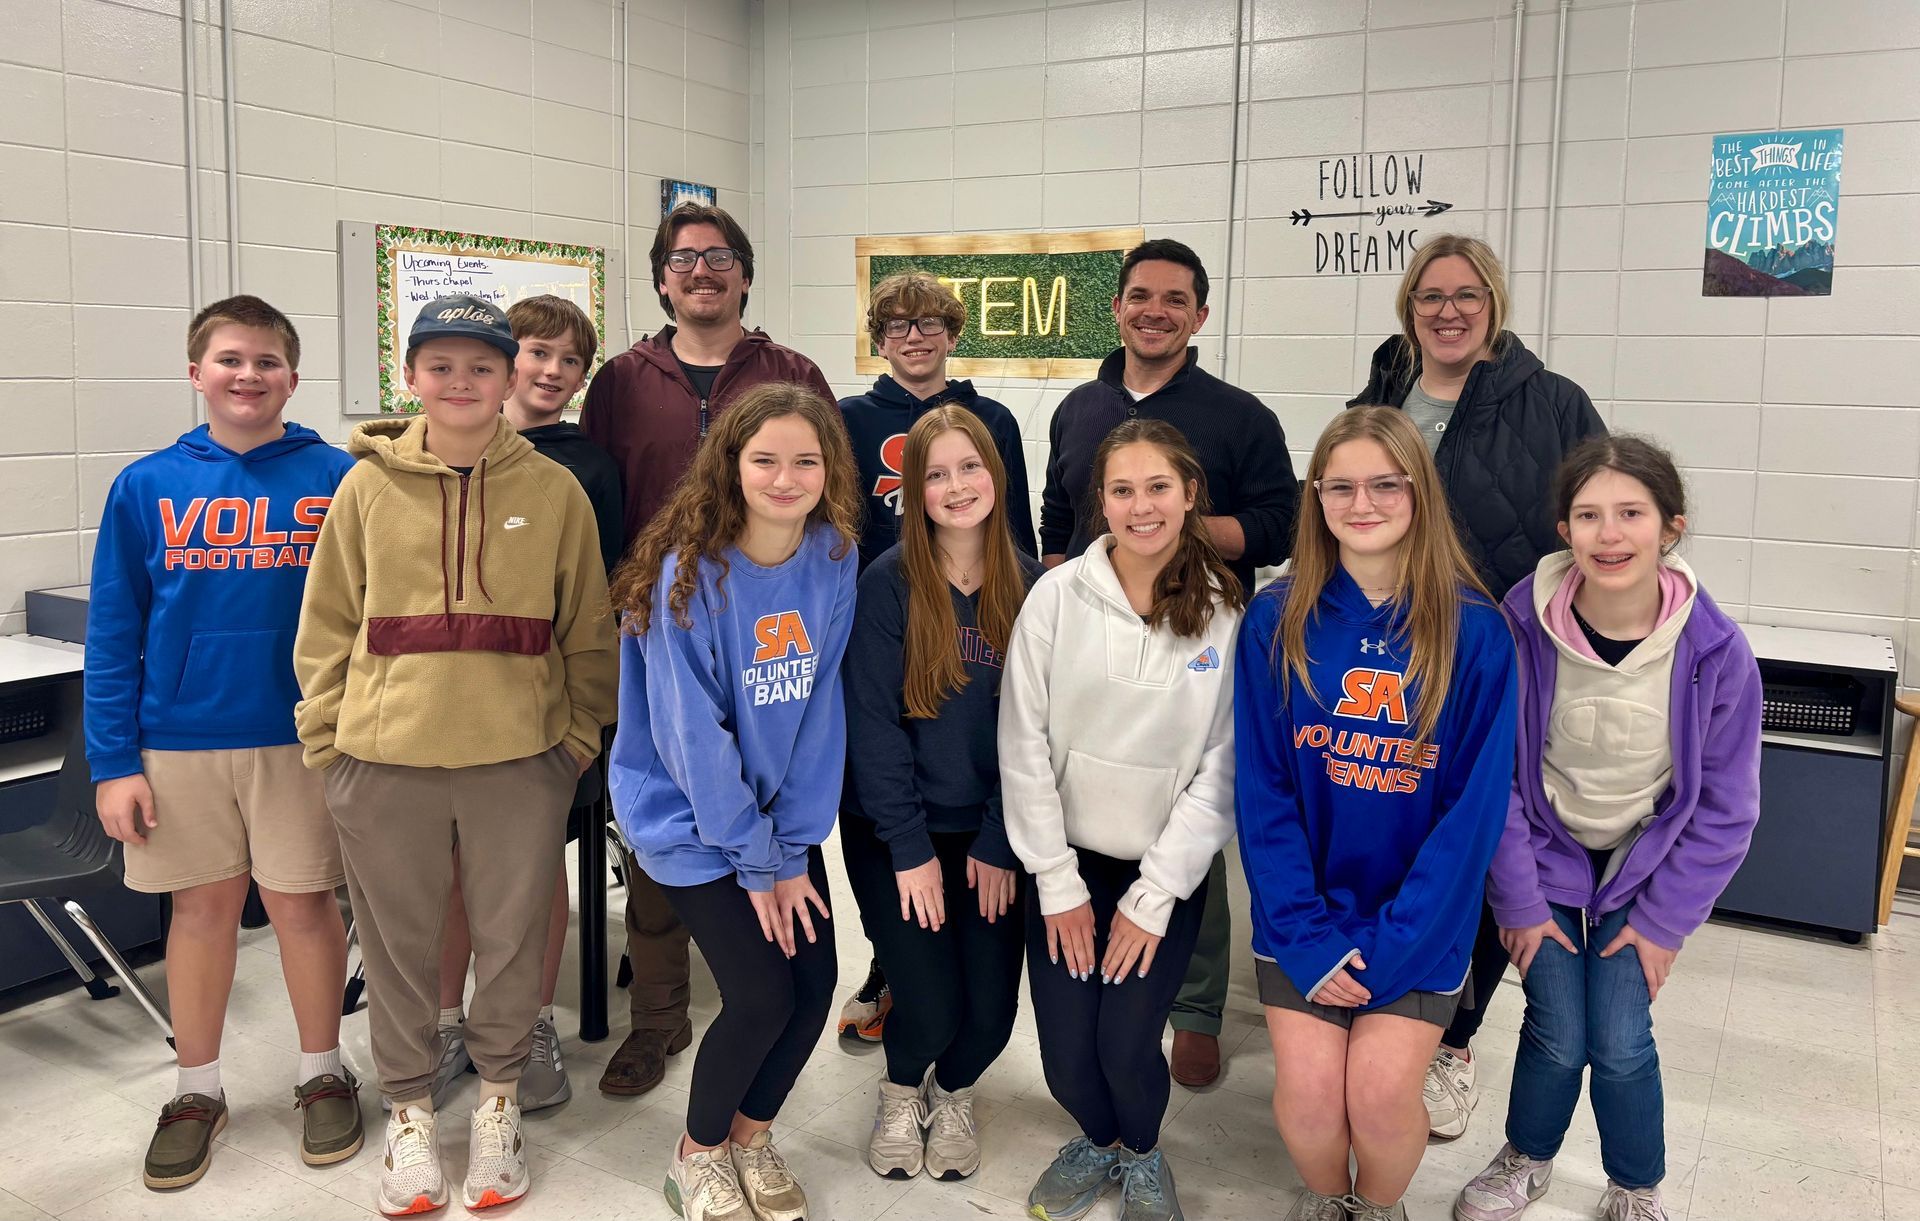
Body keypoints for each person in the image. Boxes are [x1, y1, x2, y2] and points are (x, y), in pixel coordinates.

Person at [295, 294, 618, 1214]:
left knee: (514, 941)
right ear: (413, 377)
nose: (462, 382)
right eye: (441, 366)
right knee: (397, 947)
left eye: (482, 366)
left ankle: (499, 1106)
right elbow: (325, 625)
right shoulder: (365, 486)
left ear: (510, 376)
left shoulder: (555, 491)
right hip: (381, 758)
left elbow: (587, 631)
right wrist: (329, 740)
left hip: (519, 759)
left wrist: (574, 740)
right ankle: (405, 1114)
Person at [86, 296, 359, 1191]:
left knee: (304, 910)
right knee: (198, 916)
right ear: (195, 371)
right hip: (180, 741)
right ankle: (196, 1089)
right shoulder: (145, 485)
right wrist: (114, 762)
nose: (249, 376)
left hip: (304, 739)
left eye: (268, 361)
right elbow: (114, 631)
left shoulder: (338, 477)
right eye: (231, 359)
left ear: (294, 375)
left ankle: (324, 1069)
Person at [1454, 436, 1760, 1221]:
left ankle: (1636, 1184)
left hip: (1642, 869)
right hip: (1544, 861)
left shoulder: (1716, 649)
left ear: (1671, 527)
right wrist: (1518, 903)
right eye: (1588, 514)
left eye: (1631, 513)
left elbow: (1727, 807)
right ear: (1564, 528)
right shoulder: (1519, 624)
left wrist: (1662, 924)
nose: (1609, 533)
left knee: (1620, 1039)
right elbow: (1498, 777)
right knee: (1557, 1027)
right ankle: (1527, 1155)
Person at [1350, 233, 1608, 1138]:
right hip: (1385, 651)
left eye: (1465, 295)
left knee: (1486, 840)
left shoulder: (1553, 402)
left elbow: (1596, 521)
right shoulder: (1385, 388)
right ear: (1408, 308)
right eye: (1430, 297)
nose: (1447, 311)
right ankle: (1390, 1004)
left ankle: (1455, 1039)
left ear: (1494, 304)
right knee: (1399, 829)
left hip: (1498, 653)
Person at [1235, 407, 1518, 1221]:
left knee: (1383, 1096)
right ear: (1317, 497)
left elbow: (1470, 818)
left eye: (1384, 484)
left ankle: (1381, 1207)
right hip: (1305, 918)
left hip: (1418, 923)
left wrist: (1395, 949)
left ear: (1418, 493)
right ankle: (1332, 1202)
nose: (1363, 502)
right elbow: (1264, 794)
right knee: (1315, 1099)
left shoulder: (1477, 632)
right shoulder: (1276, 618)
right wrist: (1308, 936)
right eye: (1342, 485)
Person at [582, 202, 836, 1099]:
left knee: (755, 805)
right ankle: (658, 1021)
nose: (703, 270)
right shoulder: (621, 378)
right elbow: (605, 503)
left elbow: (821, 490)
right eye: (685, 259)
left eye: (721, 257)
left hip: (766, 636)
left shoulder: (790, 373)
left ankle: (748, 1004)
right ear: (661, 279)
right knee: (667, 853)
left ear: (745, 274)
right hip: (664, 631)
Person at [1040, 237, 1297, 1087]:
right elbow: (1054, 516)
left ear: (1201, 314)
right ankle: (1093, 961)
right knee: (1084, 801)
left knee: (1189, 817)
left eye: (1175, 299)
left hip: (1194, 631)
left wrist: (1173, 531)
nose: (1155, 310)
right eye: (1140, 295)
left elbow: (1281, 523)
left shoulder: (1240, 416)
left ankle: (1194, 1007)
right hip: (1089, 633)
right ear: (1116, 307)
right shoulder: (1078, 406)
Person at [607, 382, 860, 1221]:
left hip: (774, 821)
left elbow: (820, 709)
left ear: (829, 469)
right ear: (731, 464)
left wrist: (790, 849)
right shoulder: (690, 572)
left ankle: (750, 1135)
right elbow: (691, 740)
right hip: (686, 819)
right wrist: (759, 863)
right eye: (765, 460)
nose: (785, 478)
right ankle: (698, 1153)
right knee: (760, 995)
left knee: (816, 984)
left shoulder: (833, 556)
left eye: (805, 460)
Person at [1002, 419, 1243, 1221]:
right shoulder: (1056, 596)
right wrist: (1056, 881)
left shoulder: (1221, 612)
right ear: (1098, 499)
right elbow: (1023, 743)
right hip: (1066, 865)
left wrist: (1156, 891)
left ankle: (1141, 1152)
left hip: (1160, 875)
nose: (1141, 506)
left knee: (1127, 1044)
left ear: (1189, 494)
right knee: (1069, 1061)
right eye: (1122, 489)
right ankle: (1098, 1138)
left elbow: (1222, 767)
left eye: (1158, 487)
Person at [836, 268, 1037, 1047]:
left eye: (929, 324)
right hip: (887, 626)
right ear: (879, 338)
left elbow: (1013, 531)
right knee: (894, 789)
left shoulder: (992, 420)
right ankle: (895, 967)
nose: (913, 337)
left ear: (953, 333)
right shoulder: (850, 419)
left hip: (973, 630)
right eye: (896, 325)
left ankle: (924, 978)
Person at [433, 294, 623, 1114]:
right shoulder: (434, 453)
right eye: (536, 352)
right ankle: (448, 1025)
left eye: (570, 361)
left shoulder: (586, 467)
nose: (551, 372)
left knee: (537, 873)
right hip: (438, 714)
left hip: (540, 718)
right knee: (449, 876)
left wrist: (586, 720)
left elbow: (597, 599)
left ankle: (530, 1021)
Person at [842, 405, 1042, 1181]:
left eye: (970, 467)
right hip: (895, 827)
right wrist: (910, 849)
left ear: (996, 473)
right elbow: (874, 728)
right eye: (936, 473)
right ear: (912, 489)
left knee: (990, 1018)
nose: (957, 486)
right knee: (927, 1004)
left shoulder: (1031, 586)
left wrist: (997, 839)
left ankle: (952, 1091)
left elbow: (1034, 732)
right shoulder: (888, 583)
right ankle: (900, 1090)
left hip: (991, 828)